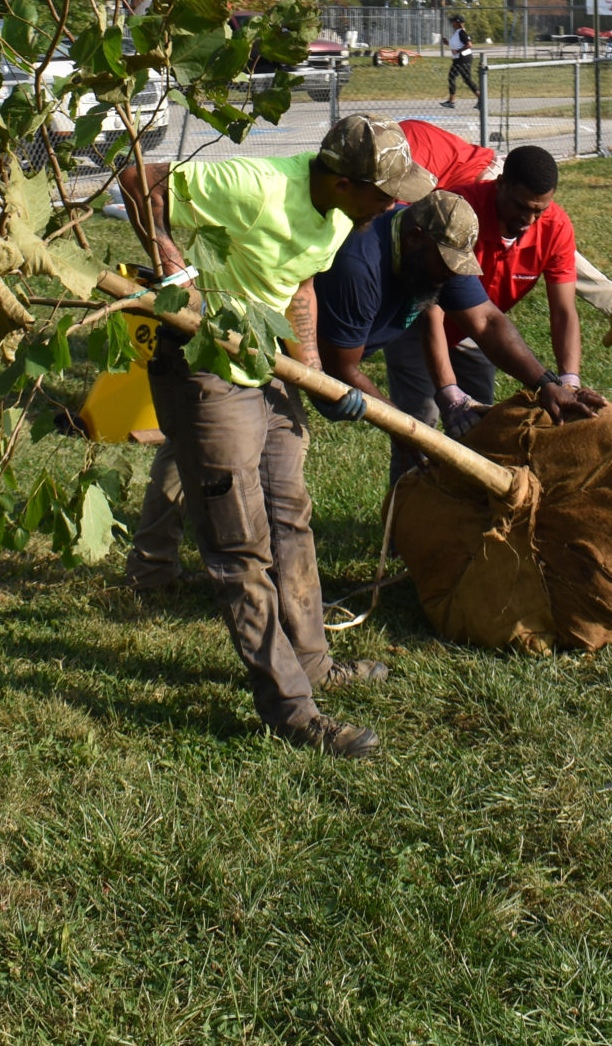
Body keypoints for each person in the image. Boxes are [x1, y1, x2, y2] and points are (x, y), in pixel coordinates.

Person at [114, 113, 435, 760]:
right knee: (241, 541)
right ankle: (290, 706)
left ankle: (313, 661)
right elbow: (136, 180)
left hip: (271, 366)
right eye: (384, 191)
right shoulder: (254, 183)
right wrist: (173, 269)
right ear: (343, 180)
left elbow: (301, 284)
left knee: (291, 515)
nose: (392, 203)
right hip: (208, 366)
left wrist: (311, 367)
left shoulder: (345, 214)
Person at [315, 188, 604, 486]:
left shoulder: (437, 251)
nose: (453, 275)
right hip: (286, 353)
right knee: (282, 482)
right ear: (414, 238)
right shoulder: (360, 267)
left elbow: (488, 323)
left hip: (337, 350)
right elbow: (340, 367)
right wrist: (401, 427)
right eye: (447, 264)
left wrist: (547, 384)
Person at [397, 120, 612, 344]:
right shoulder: (405, 134)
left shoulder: (399, 151)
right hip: (486, 175)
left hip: (482, 183)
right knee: (545, 242)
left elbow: (405, 217)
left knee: (543, 240)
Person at [441, 12, 480, 109]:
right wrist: (447, 43)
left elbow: (469, 45)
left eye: (453, 21)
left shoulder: (462, 32)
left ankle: (451, 101)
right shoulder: (457, 32)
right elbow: (457, 44)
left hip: (463, 59)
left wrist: (458, 51)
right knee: (465, 79)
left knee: (452, 77)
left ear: (458, 22)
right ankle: (481, 99)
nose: (452, 23)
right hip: (460, 59)